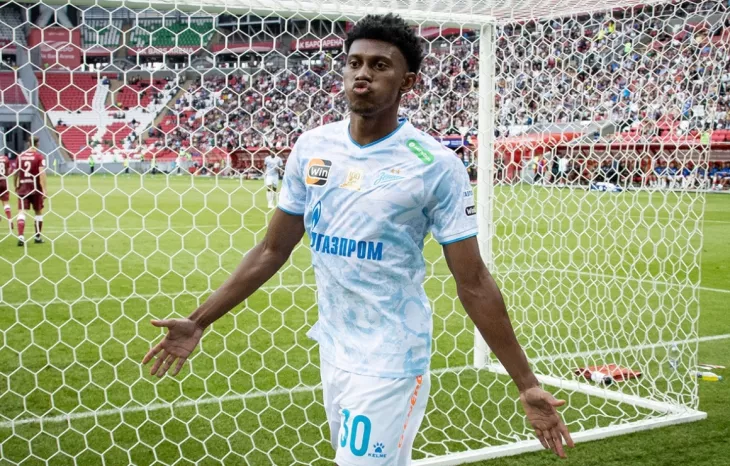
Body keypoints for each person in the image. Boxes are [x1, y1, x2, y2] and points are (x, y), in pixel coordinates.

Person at [142, 14, 573, 465]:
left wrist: (526, 384)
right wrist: (199, 321)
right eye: (354, 63)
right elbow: (273, 249)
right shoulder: (313, 147)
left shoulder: (435, 165)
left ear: (408, 82)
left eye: (379, 65)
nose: (362, 73)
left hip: (393, 357)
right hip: (334, 347)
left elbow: (474, 281)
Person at [15, 137, 46, 246]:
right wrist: (44, 189)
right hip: (35, 188)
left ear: (28, 143)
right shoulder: (39, 156)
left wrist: (15, 184)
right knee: (38, 211)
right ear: (38, 144)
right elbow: (41, 173)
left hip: (23, 188)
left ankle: (21, 236)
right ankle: (37, 237)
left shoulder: (20, 156)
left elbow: (17, 172)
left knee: (21, 212)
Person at [0, 151, 13, 232]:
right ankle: (10, 219)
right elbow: (9, 170)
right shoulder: (5, 158)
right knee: (5, 202)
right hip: (4, 182)